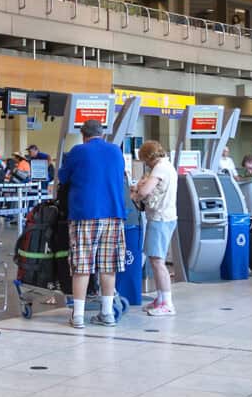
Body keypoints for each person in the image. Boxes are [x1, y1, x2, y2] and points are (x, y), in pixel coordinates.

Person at [58, 118, 127, 329]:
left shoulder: (78, 151)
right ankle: (107, 313)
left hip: (85, 214)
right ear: (103, 134)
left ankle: (78, 316)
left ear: (83, 135)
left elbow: (62, 177)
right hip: (114, 214)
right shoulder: (116, 151)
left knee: (82, 265)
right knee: (108, 265)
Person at [132, 140, 178, 317]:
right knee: (155, 260)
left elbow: (145, 192)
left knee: (158, 262)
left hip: (160, 219)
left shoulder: (159, 168)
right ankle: (160, 298)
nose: (145, 164)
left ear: (149, 157)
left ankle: (167, 303)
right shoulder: (168, 166)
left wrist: (135, 194)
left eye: (144, 160)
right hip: (165, 217)